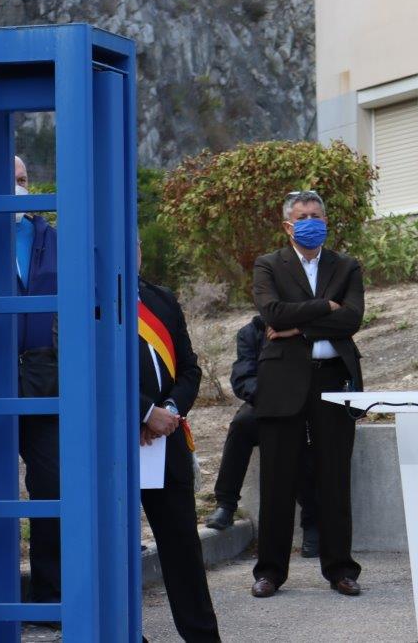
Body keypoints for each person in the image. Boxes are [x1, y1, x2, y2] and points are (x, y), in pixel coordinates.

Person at [250, 190, 365, 599]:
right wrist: (326, 308)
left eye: (317, 215)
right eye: (303, 217)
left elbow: (352, 319)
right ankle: (269, 572)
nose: (311, 222)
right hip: (283, 382)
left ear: (326, 221)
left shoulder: (346, 266)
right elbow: (272, 313)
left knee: (335, 478)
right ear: (288, 225)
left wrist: (298, 327)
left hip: (333, 380)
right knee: (277, 480)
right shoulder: (268, 265)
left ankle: (340, 569)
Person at [138, 242, 221, 641]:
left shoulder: (161, 299)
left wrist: (168, 410)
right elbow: (86, 369)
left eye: (136, 244)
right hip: (113, 442)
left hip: (166, 438)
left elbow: (189, 368)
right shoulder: (86, 299)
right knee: (113, 549)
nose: (131, 251)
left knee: (183, 548)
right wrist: (142, 413)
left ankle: (202, 637)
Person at [204, 315, 321, 558]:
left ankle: (312, 522)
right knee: (241, 425)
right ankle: (226, 504)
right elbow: (243, 377)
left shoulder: (305, 328)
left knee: (298, 440)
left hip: (305, 406)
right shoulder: (251, 332)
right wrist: (271, 399)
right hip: (265, 403)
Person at [14, 156, 61, 607]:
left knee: (53, 485)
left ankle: (51, 594)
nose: (19, 188)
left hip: (46, 382)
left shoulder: (53, 238)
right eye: (9, 180)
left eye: (23, 179)